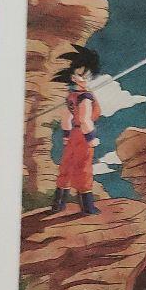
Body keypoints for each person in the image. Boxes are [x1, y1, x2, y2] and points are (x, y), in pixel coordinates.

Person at [48, 44, 102, 216]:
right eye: (82, 75)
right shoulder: (85, 97)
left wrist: (66, 136)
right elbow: (85, 119)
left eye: (88, 76)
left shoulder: (71, 97)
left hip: (72, 135)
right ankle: (87, 207)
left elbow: (66, 119)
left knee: (67, 166)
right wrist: (91, 137)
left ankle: (58, 205)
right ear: (74, 77)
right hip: (83, 136)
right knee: (83, 168)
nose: (86, 79)